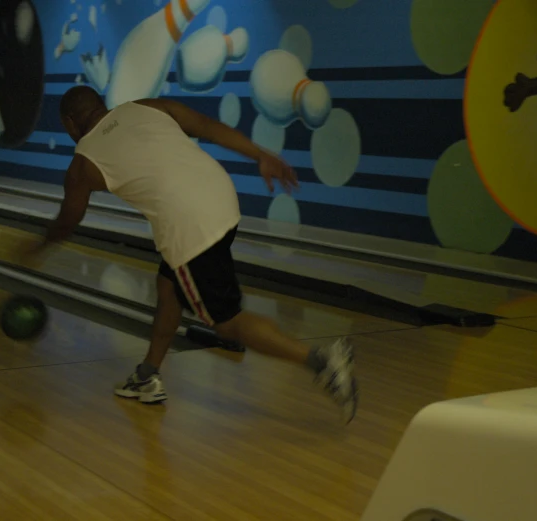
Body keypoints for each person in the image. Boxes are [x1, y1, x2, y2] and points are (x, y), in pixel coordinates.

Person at [22, 86, 358, 424]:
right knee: (169, 287)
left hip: (189, 224)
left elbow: (67, 221)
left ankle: (322, 361)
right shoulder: (146, 107)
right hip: (220, 195)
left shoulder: (82, 165)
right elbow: (207, 126)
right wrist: (260, 155)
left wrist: (36, 248)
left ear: (69, 123)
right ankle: (147, 374)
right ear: (102, 105)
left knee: (227, 324)